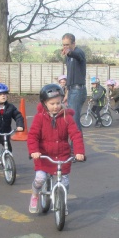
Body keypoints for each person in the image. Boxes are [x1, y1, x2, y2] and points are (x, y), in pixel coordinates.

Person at [27, 84, 85, 214]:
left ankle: (62, 202)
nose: (55, 106)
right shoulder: (40, 118)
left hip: (62, 156)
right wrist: (34, 151)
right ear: (44, 103)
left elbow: (75, 135)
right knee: (40, 178)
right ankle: (35, 195)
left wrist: (79, 152)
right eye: (52, 103)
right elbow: (33, 136)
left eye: (58, 103)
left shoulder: (66, 117)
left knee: (64, 182)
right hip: (44, 156)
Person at [61, 33, 87, 132]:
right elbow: (70, 76)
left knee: (74, 121)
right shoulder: (68, 57)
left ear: (74, 43)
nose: (65, 47)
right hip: (72, 90)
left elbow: (77, 56)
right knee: (70, 120)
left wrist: (69, 53)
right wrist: (67, 92)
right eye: (64, 45)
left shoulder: (79, 52)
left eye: (67, 45)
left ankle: (77, 142)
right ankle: (74, 141)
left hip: (78, 90)